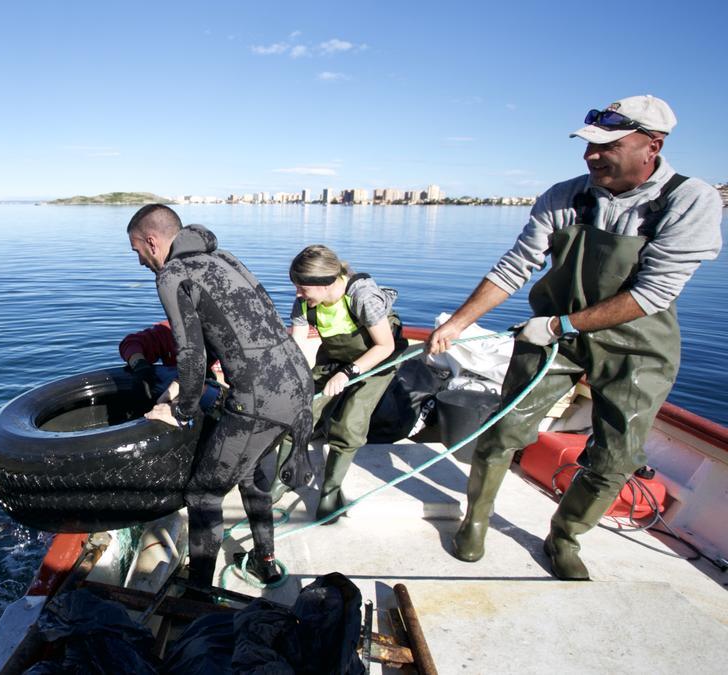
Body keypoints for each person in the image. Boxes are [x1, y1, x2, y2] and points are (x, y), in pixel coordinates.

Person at [427, 95, 722, 580]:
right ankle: (474, 520)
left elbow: (653, 292)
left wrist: (562, 324)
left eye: (608, 145)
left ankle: (564, 537)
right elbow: (515, 266)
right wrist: (458, 323)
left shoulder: (691, 200)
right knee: (502, 432)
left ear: (653, 145)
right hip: (554, 338)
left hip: (636, 345)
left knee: (617, 457)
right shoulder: (566, 195)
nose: (592, 155)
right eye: (588, 146)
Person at [127, 204, 313, 588]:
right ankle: (265, 562)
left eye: (138, 252)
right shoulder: (224, 259)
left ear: (151, 241)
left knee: (202, 494)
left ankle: (198, 594)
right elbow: (224, 332)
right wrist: (181, 386)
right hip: (298, 386)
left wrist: (180, 410)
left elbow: (192, 353)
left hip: (260, 400)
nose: (141, 262)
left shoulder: (172, 274)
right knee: (250, 478)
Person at [287, 245, 406, 522]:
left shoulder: (362, 297)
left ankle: (330, 491)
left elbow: (385, 345)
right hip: (336, 355)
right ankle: (284, 478)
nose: (298, 293)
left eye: (302, 287)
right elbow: (298, 346)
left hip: (377, 359)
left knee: (348, 423)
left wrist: (348, 373)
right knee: (299, 410)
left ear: (326, 283)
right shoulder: (305, 302)